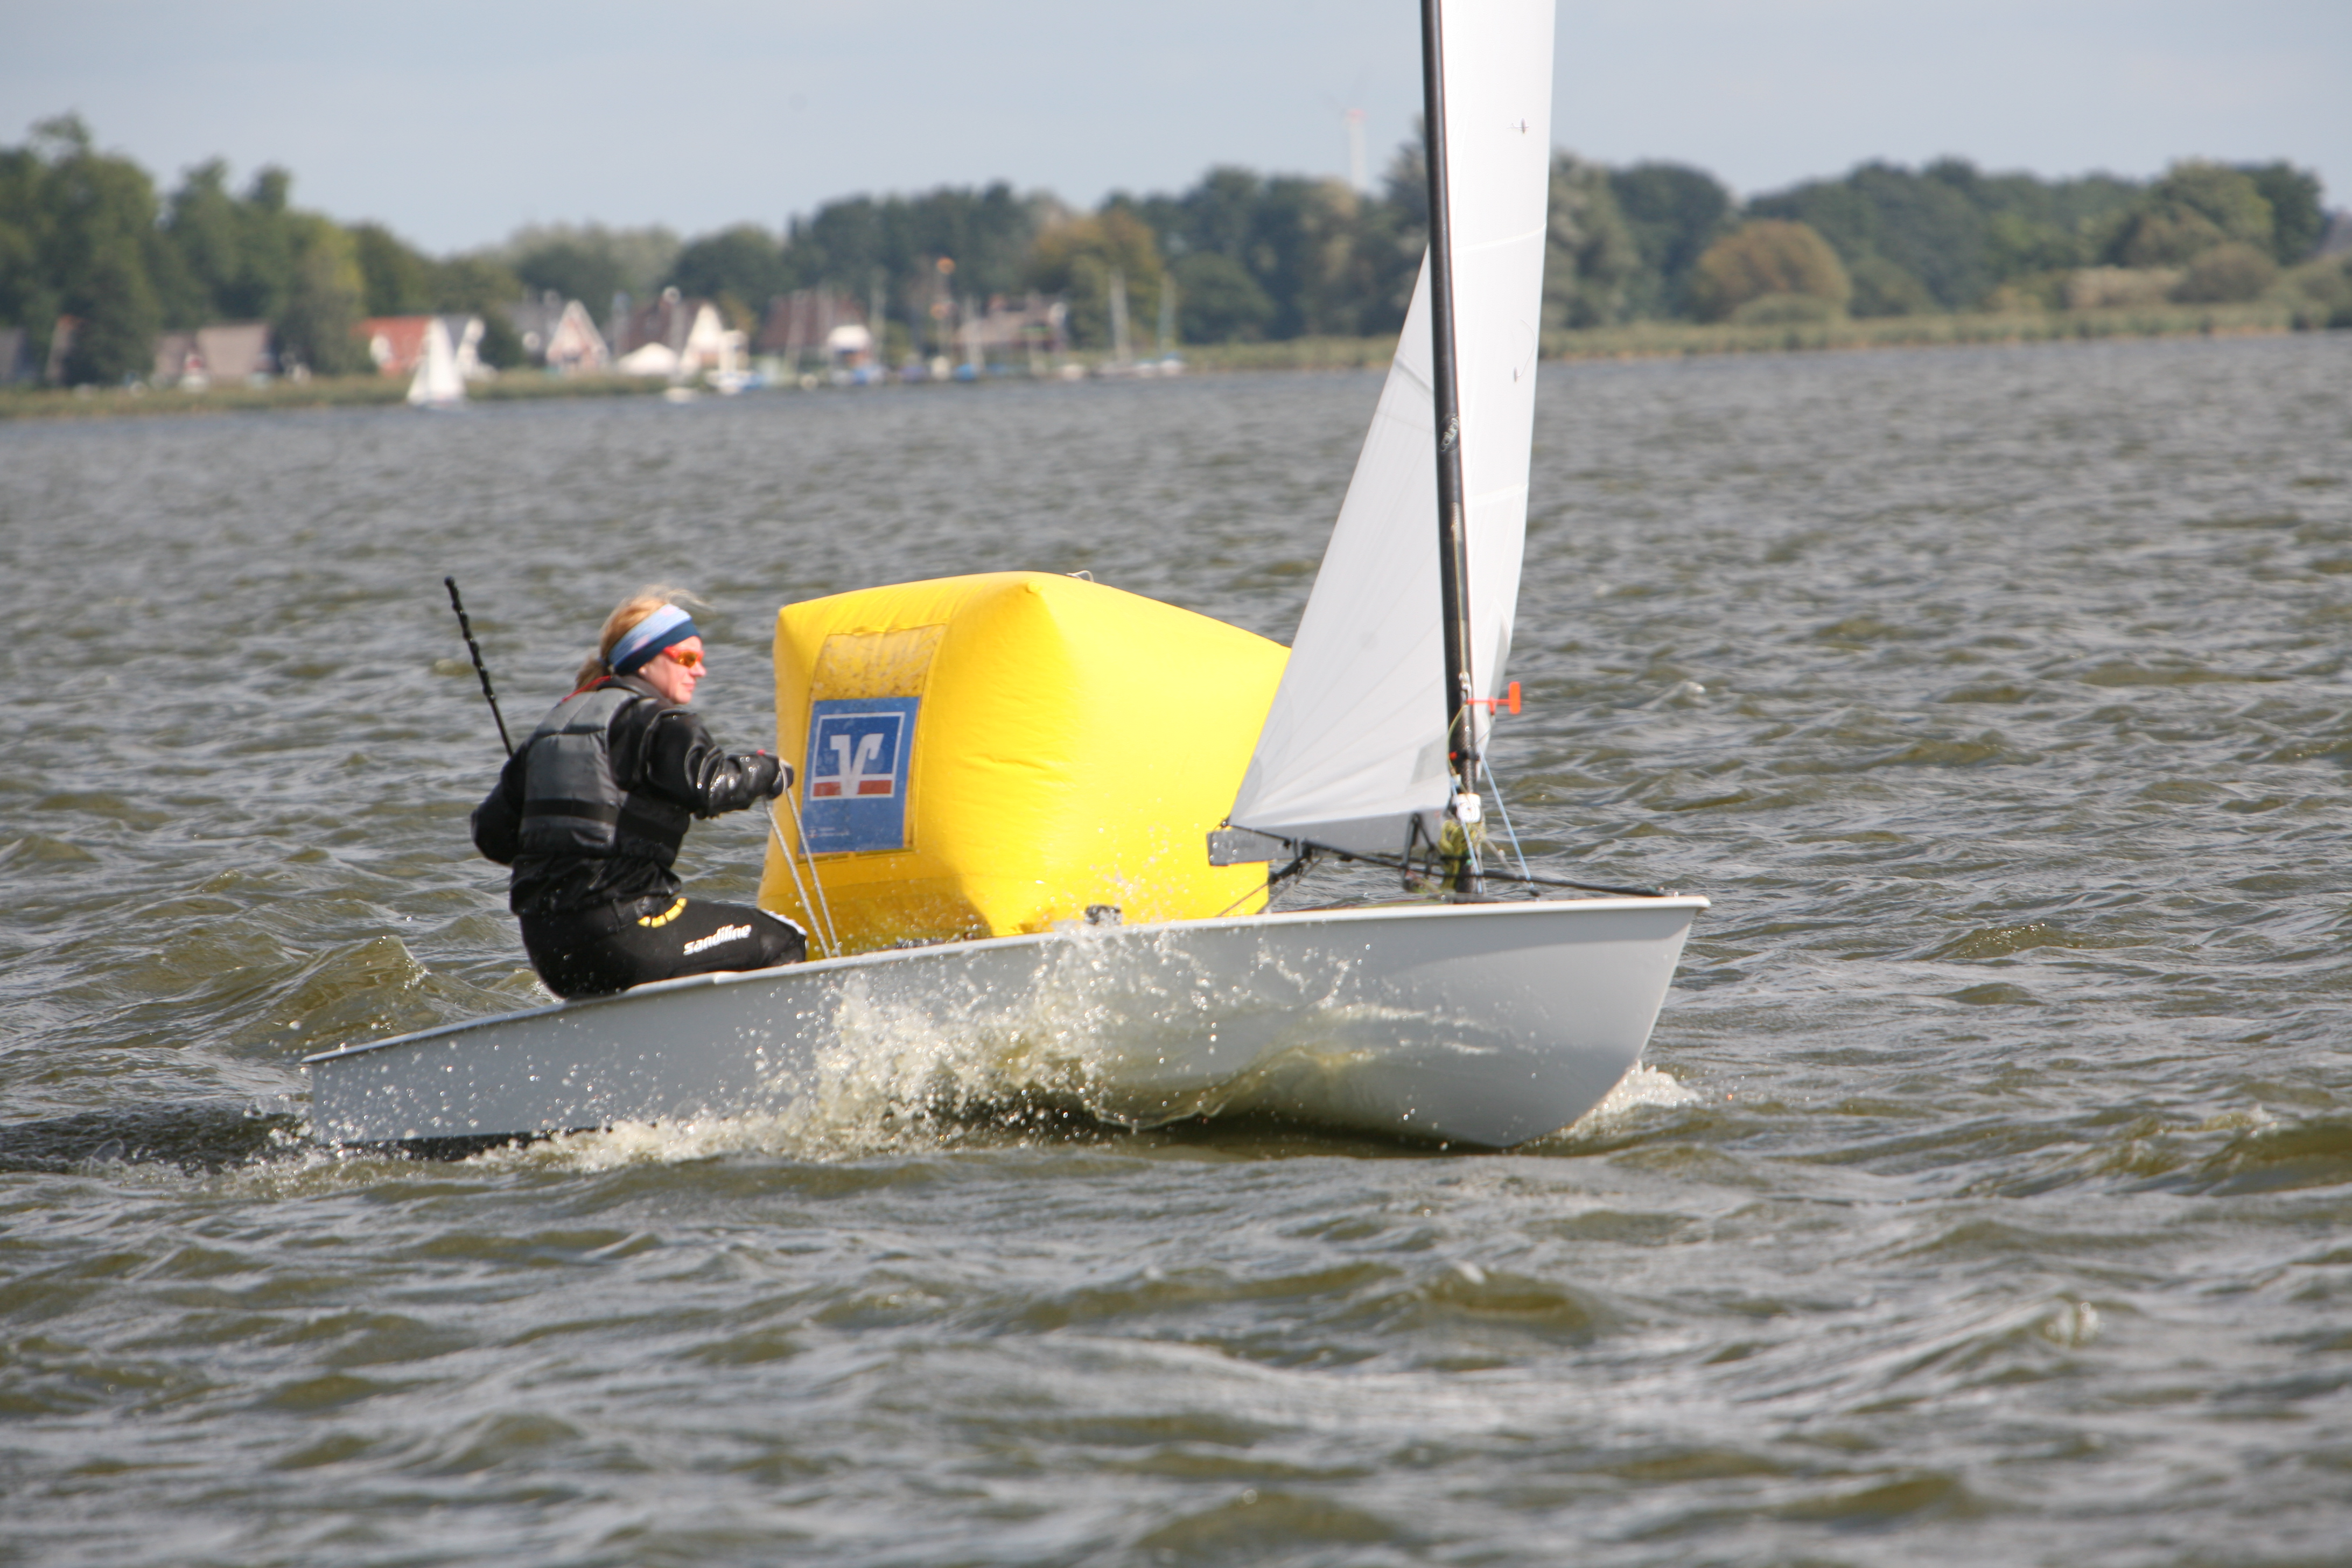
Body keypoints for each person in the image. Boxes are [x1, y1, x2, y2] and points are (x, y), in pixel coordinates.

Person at [471, 587, 807, 998]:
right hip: (625, 933)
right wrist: (767, 771)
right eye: (688, 658)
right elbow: (708, 786)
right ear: (646, 660)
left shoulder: (550, 730)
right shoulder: (661, 720)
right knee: (781, 939)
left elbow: (491, 836)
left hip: (548, 949)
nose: (700, 671)